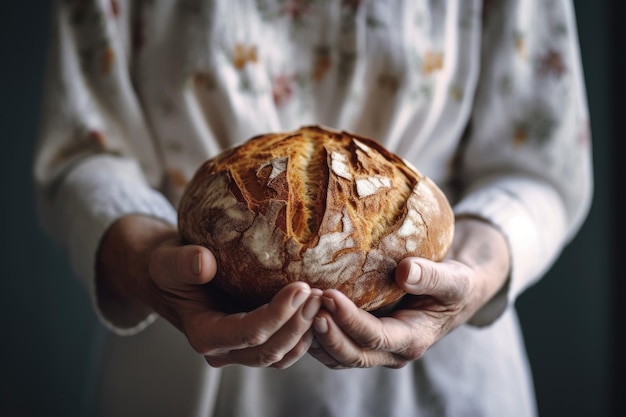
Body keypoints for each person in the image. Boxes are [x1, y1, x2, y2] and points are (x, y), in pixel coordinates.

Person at [33, 0, 592, 416]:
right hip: (189, 358)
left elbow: (539, 161)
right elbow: (83, 147)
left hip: (441, 371)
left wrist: (478, 268)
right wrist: (142, 258)